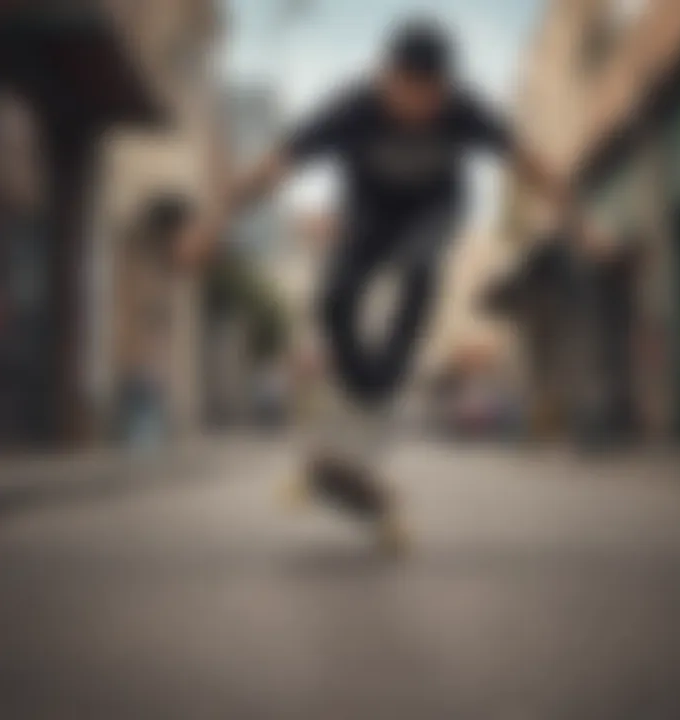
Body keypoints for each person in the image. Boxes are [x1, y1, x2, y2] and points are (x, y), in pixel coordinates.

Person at [176, 18, 584, 549]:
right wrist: (211, 224)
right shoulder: (351, 108)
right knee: (333, 297)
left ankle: (381, 388)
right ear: (385, 78)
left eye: (430, 98)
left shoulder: (465, 108)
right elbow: (273, 167)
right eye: (406, 94)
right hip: (367, 215)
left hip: (433, 211)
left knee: (419, 267)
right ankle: (364, 391)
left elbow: (531, 164)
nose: (418, 109)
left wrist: (583, 225)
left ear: (444, 88)